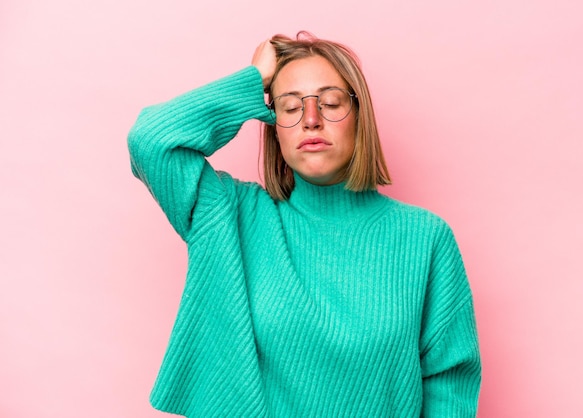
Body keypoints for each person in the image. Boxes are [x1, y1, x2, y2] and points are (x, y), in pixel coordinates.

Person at [128, 31, 481, 417]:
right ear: (273, 127)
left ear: (360, 117)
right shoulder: (233, 216)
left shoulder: (424, 238)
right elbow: (151, 139)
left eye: (330, 103)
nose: (311, 120)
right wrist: (253, 80)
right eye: (291, 107)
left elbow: (449, 383)